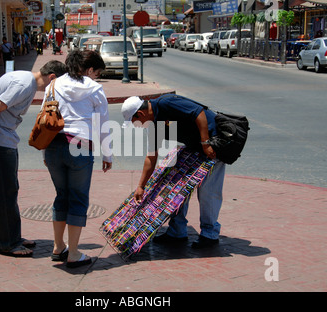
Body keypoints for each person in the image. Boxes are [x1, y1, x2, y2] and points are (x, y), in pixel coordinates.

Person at [0, 61, 68, 257]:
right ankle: (8, 243)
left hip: (2, 140)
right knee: (5, 194)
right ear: (52, 78)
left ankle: (13, 237)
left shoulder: (25, 80)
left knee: (10, 191)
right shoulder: (24, 85)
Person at [121, 94, 225, 249]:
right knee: (174, 186)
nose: (137, 126)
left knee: (208, 192)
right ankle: (177, 232)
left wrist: (205, 143)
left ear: (141, 114)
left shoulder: (167, 103)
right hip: (194, 146)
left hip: (212, 142)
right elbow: (151, 156)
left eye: (135, 122)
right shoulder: (153, 124)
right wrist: (141, 186)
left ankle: (210, 235)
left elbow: (199, 113)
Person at [44, 50, 112, 268]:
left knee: (61, 195)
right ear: (89, 69)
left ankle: (58, 247)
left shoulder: (52, 86)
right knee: (78, 198)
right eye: (97, 73)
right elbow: (103, 126)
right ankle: (73, 253)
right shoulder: (94, 89)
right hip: (80, 146)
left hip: (53, 144)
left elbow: (44, 120)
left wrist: (44, 152)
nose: (96, 77)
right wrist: (107, 154)